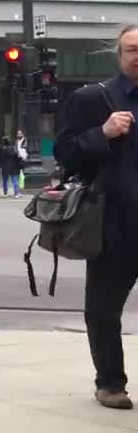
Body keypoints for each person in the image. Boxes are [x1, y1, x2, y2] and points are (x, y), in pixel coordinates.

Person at [53, 24, 138, 410]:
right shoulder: (94, 99)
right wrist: (102, 134)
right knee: (103, 310)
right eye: (132, 49)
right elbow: (66, 154)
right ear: (119, 56)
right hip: (114, 223)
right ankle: (110, 383)